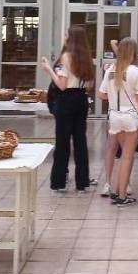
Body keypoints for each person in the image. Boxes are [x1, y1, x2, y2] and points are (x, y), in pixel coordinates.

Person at [42, 25, 96, 193]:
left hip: (66, 100)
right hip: (81, 99)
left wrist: (49, 69)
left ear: (71, 38)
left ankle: (59, 182)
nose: (64, 37)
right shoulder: (87, 58)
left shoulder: (65, 57)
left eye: (66, 34)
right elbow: (90, 85)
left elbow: (62, 85)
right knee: (80, 142)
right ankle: (82, 182)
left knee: (62, 142)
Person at [97, 37, 138, 207]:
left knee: (123, 156)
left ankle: (117, 190)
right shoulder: (136, 71)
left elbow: (101, 95)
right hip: (131, 117)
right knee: (127, 156)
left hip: (114, 117)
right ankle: (121, 196)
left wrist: (113, 96)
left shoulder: (111, 69)